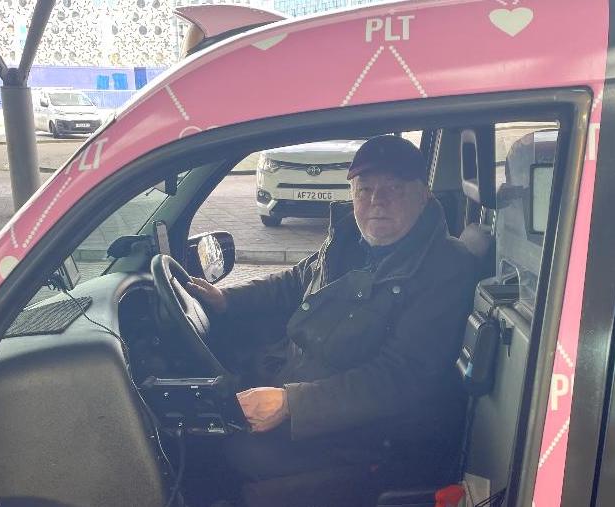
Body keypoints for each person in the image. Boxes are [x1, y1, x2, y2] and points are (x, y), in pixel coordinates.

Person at [187, 135, 476, 506]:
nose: (376, 201)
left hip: (364, 435)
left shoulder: (446, 268)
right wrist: (226, 299)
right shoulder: (349, 239)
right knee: (207, 416)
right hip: (299, 385)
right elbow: (295, 281)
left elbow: (400, 377)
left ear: (424, 195)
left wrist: (291, 403)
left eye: (393, 189)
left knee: (219, 448)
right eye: (365, 189)